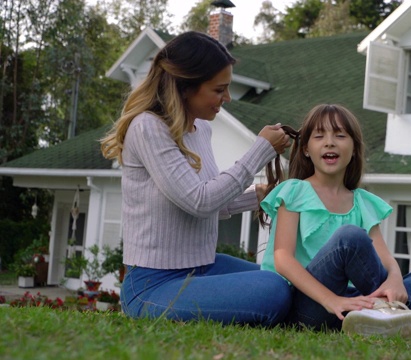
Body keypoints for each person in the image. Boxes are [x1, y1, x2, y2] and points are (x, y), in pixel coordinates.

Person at [100, 31, 293, 326]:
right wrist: (261, 150)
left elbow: (210, 200)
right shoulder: (147, 128)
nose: (226, 98)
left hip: (203, 267)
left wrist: (259, 194)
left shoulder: (199, 129)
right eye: (219, 90)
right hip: (153, 285)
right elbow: (199, 201)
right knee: (274, 290)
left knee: (285, 279)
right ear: (186, 87)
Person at [259, 104, 411, 339]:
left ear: (354, 149)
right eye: (319, 136)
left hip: (351, 303)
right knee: (349, 237)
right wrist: (332, 300)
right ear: (306, 150)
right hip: (306, 307)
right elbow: (282, 259)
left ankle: (388, 312)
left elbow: (386, 260)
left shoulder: (363, 202)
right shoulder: (294, 191)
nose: (330, 142)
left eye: (340, 135)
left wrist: (395, 280)